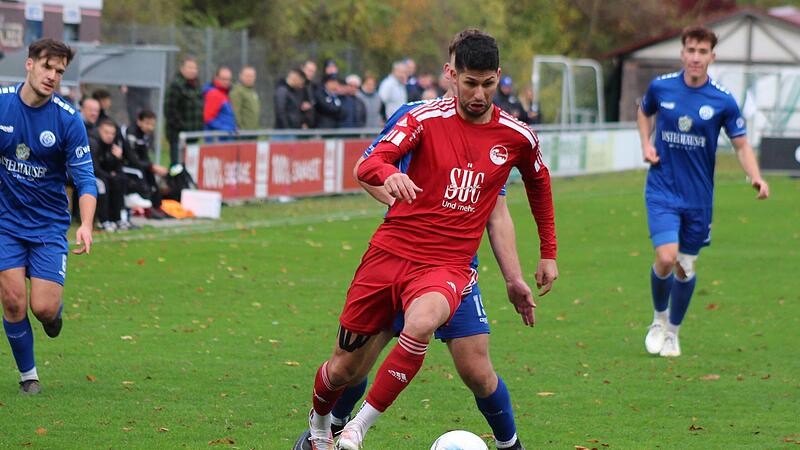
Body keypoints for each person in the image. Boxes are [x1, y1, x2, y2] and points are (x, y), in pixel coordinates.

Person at [305, 30, 558, 450]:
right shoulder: (417, 116)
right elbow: (370, 165)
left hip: (451, 266)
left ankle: (506, 444)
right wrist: (392, 183)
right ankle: (324, 430)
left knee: (474, 368)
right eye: (469, 83)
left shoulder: (513, 137)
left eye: (487, 84)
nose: (479, 94)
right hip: (393, 254)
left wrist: (531, 265)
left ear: (498, 77)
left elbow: (501, 208)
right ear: (450, 74)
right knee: (349, 367)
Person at [638, 26, 769, 358]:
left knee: (685, 267)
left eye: (702, 52)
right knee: (666, 257)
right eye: (690, 50)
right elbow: (644, 111)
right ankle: (658, 320)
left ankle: (673, 333)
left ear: (712, 56)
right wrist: (646, 144)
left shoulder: (723, 100)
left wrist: (755, 176)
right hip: (662, 189)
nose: (695, 57)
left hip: (697, 199)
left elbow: (741, 145)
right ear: (682, 53)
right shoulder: (661, 87)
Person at [0, 38, 96, 394]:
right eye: (47, 67)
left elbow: (86, 179)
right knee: (12, 300)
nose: (52, 75)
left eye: (59, 71)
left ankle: (53, 314)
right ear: (29, 64)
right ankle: (29, 376)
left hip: (48, 225)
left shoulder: (67, 119)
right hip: (6, 221)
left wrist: (85, 224)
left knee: (42, 307)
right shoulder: (2, 105)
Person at [123, 109, 168, 219]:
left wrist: (152, 167)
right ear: (139, 121)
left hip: (137, 165)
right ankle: (147, 209)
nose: (150, 127)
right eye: (147, 123)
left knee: (151, 174)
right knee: (141, 173)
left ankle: (157, 206)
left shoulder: (145, 135)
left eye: (152, 124)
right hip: (125, 165)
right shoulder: (131, 133)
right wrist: (151, 166)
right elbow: (131, 158)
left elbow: (144, 156)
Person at [164, 56, 203, 167]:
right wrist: (183, 129)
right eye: (189, 67)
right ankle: (174, 183)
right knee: (177, 165)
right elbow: (170, 111)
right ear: (182, 69)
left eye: (195, 68)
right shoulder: (176, 86)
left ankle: (186, 184)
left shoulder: (197, 86)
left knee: (190, 165)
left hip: (193, 136)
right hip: (179, 136)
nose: (193, 71)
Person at [203, 66, 237, 135]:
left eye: (229, 79)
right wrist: (226, 129)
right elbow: (208, 118)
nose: (227, 82)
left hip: (226, 137)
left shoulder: (224, 93)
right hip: (217, 139)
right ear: (216, 78)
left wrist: (232, 127)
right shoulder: (214, 94)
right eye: (224, 79)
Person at [229, 65, 260, 130]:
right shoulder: (237, 91)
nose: (249, 78)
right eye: (247, 76)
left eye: (252, 76)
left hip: (254, 132)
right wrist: (241, 128)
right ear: (240, 76)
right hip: (243, 134)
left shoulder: (252, 92)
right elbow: (235, 112)